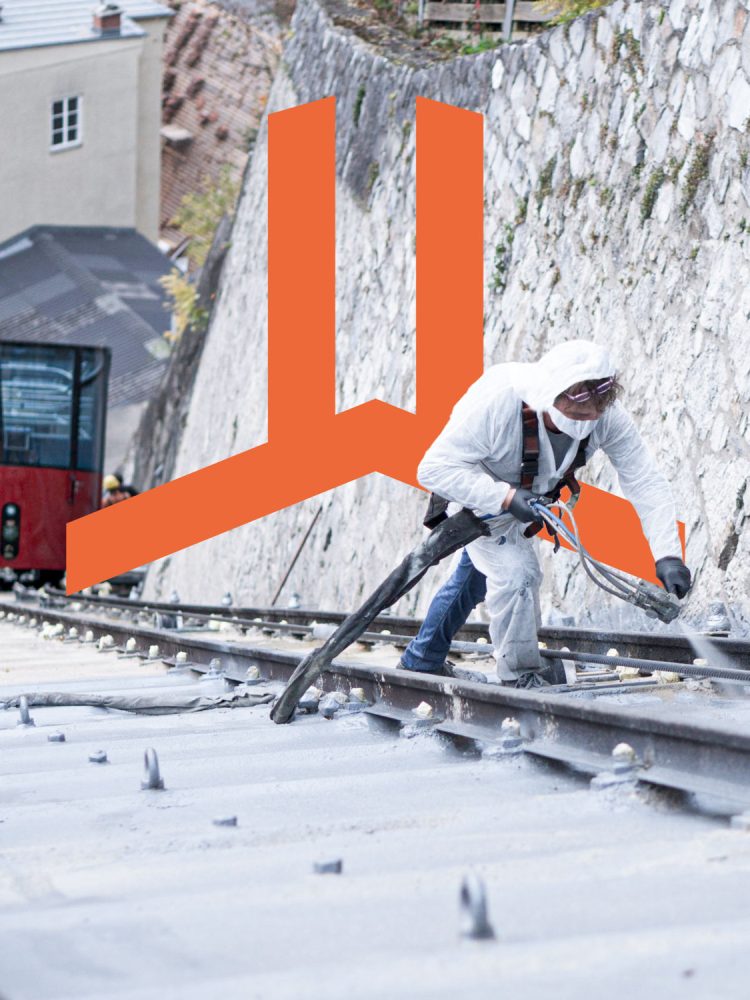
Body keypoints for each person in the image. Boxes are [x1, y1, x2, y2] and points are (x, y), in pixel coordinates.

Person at [399, 340, 691, 688]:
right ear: (551, 395)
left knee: (474, 578)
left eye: (593, 416)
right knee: (518, 575)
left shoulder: (607, 418)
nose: (586, 425)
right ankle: (520, 678)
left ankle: (422, 659)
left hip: (529, 500)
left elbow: (644, 481)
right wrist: (504, 497)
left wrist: (668, 554)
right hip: (478, 496)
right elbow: (433, 469)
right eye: (577, 416)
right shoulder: (498, 402)